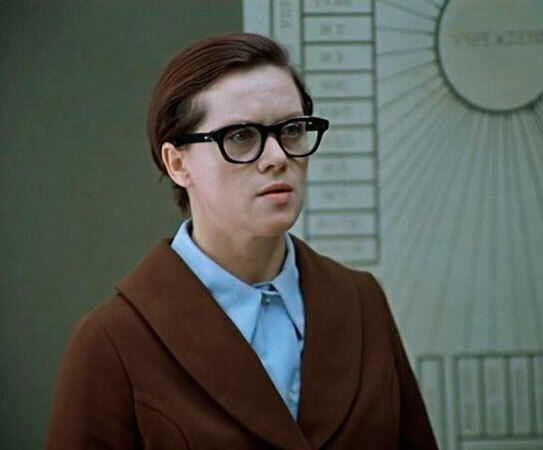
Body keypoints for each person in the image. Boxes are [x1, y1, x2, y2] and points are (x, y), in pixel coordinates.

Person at [46, 32, 438, 449]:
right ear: (177, 164)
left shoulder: (361, 300)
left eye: (291, 129)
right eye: (240, 136)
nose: (278, 157)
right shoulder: (113, 339)